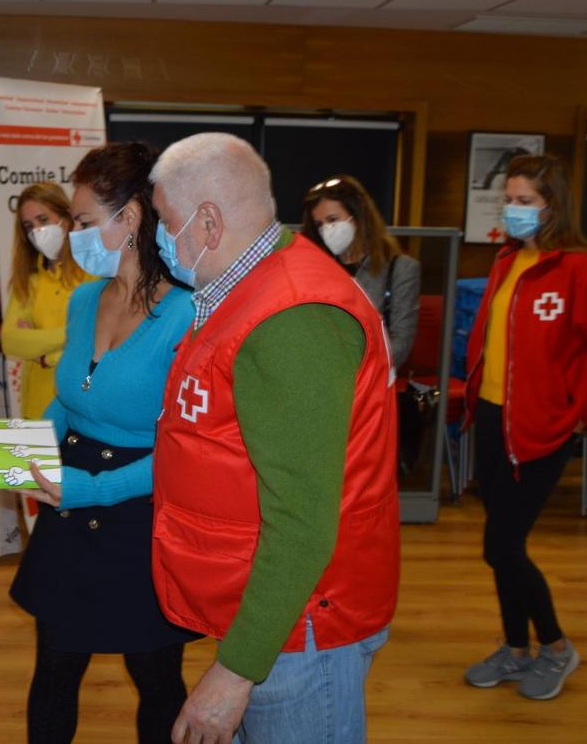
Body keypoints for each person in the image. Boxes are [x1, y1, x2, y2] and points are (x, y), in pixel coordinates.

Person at [147, 132, 399, 744]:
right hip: (269, 612)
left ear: (208, 221)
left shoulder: (292, 318)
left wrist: (236, 671)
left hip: (303, 625)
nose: (157, 237)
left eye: (163, 220)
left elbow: (305, 520)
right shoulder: (248, 284)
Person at [8, 142, 199, 744]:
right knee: (55, 672)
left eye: (86, 223)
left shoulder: (188, 315)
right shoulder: (86, 299)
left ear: (133, 217)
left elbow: (189, 447)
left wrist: (93, 488)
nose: (74, 236)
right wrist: (25, 446)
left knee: (157, 678)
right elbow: (69, 399)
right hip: (70, 506)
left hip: (142, 509)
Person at [462, 155, 587, 700]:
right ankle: (515, 649)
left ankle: (555, 647)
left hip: (541, 430)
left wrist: (585, 410)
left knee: (502, 546)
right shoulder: (506, 261)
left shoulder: (581, 271)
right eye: (510, 199)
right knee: (499, 543)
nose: (514, 210)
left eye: (527, 201)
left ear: (553, 207)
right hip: (494, 418)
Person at [301, 174, 421, 366]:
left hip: (371, 378)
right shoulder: (315, 268)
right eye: (319, 224)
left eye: (332, 219)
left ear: (358, 217)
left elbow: (401, 342)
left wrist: (358, 373)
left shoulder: (400, 269)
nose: (326, 229)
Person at [0, 182, 93, 420]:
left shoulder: (93, 272)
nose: (37, 231)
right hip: (37, 406)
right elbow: (10, 341)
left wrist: (43, 354)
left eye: (43, 219)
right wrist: (72, 334)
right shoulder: (28, 280)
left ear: (66, 217)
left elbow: (99, 340)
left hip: (82, 406)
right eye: (29, 225)